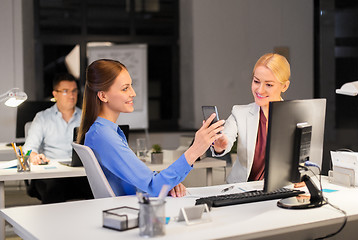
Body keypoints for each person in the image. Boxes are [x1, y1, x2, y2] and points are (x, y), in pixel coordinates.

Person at [77, 59, 224, 197]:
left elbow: (146, 180)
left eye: (131, 86)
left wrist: (168, 182)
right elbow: (154, 187)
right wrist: (195, 150)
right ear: (103, 96)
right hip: (133, 210)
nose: (133, 93)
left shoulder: (103, 132)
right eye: (125, 89)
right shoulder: (104, 136)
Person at [211, 53, 291, 183]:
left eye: (269, 85)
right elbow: (226, 138)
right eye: (256, 81)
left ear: (284, 86)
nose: (260, 90)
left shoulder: (294, 116)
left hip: (278, 191)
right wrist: (220, 145)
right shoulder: (239, 113)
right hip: (241, 190)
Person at [23, 73, 93, 203]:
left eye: (74, 91)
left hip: (78, 172)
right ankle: (52, 223)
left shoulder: (85, 118)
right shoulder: (42, 117)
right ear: (55, 94)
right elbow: (28, 149)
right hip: (52, 174)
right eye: (66, 91)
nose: (72, 95)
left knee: (97, 188)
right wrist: (34, 156)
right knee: (54, 190)